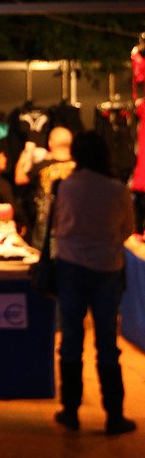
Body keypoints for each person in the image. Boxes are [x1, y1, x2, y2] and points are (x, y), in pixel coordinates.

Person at [53, 130, 136, 435]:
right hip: (107, 269)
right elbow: (127, 229)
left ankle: (70, 410)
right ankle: (114, 414)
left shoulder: (66, 186)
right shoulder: (117, 189)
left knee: (71, 338)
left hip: (71, 268)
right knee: (107, 342)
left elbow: (58, 225)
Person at [14, 125, 75, 248]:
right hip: (74, 223)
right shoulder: (79, 168)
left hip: (46, 224)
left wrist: (26, 153)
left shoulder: (42, 166)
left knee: (41, 256)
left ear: (50, 143)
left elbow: (20, 179)